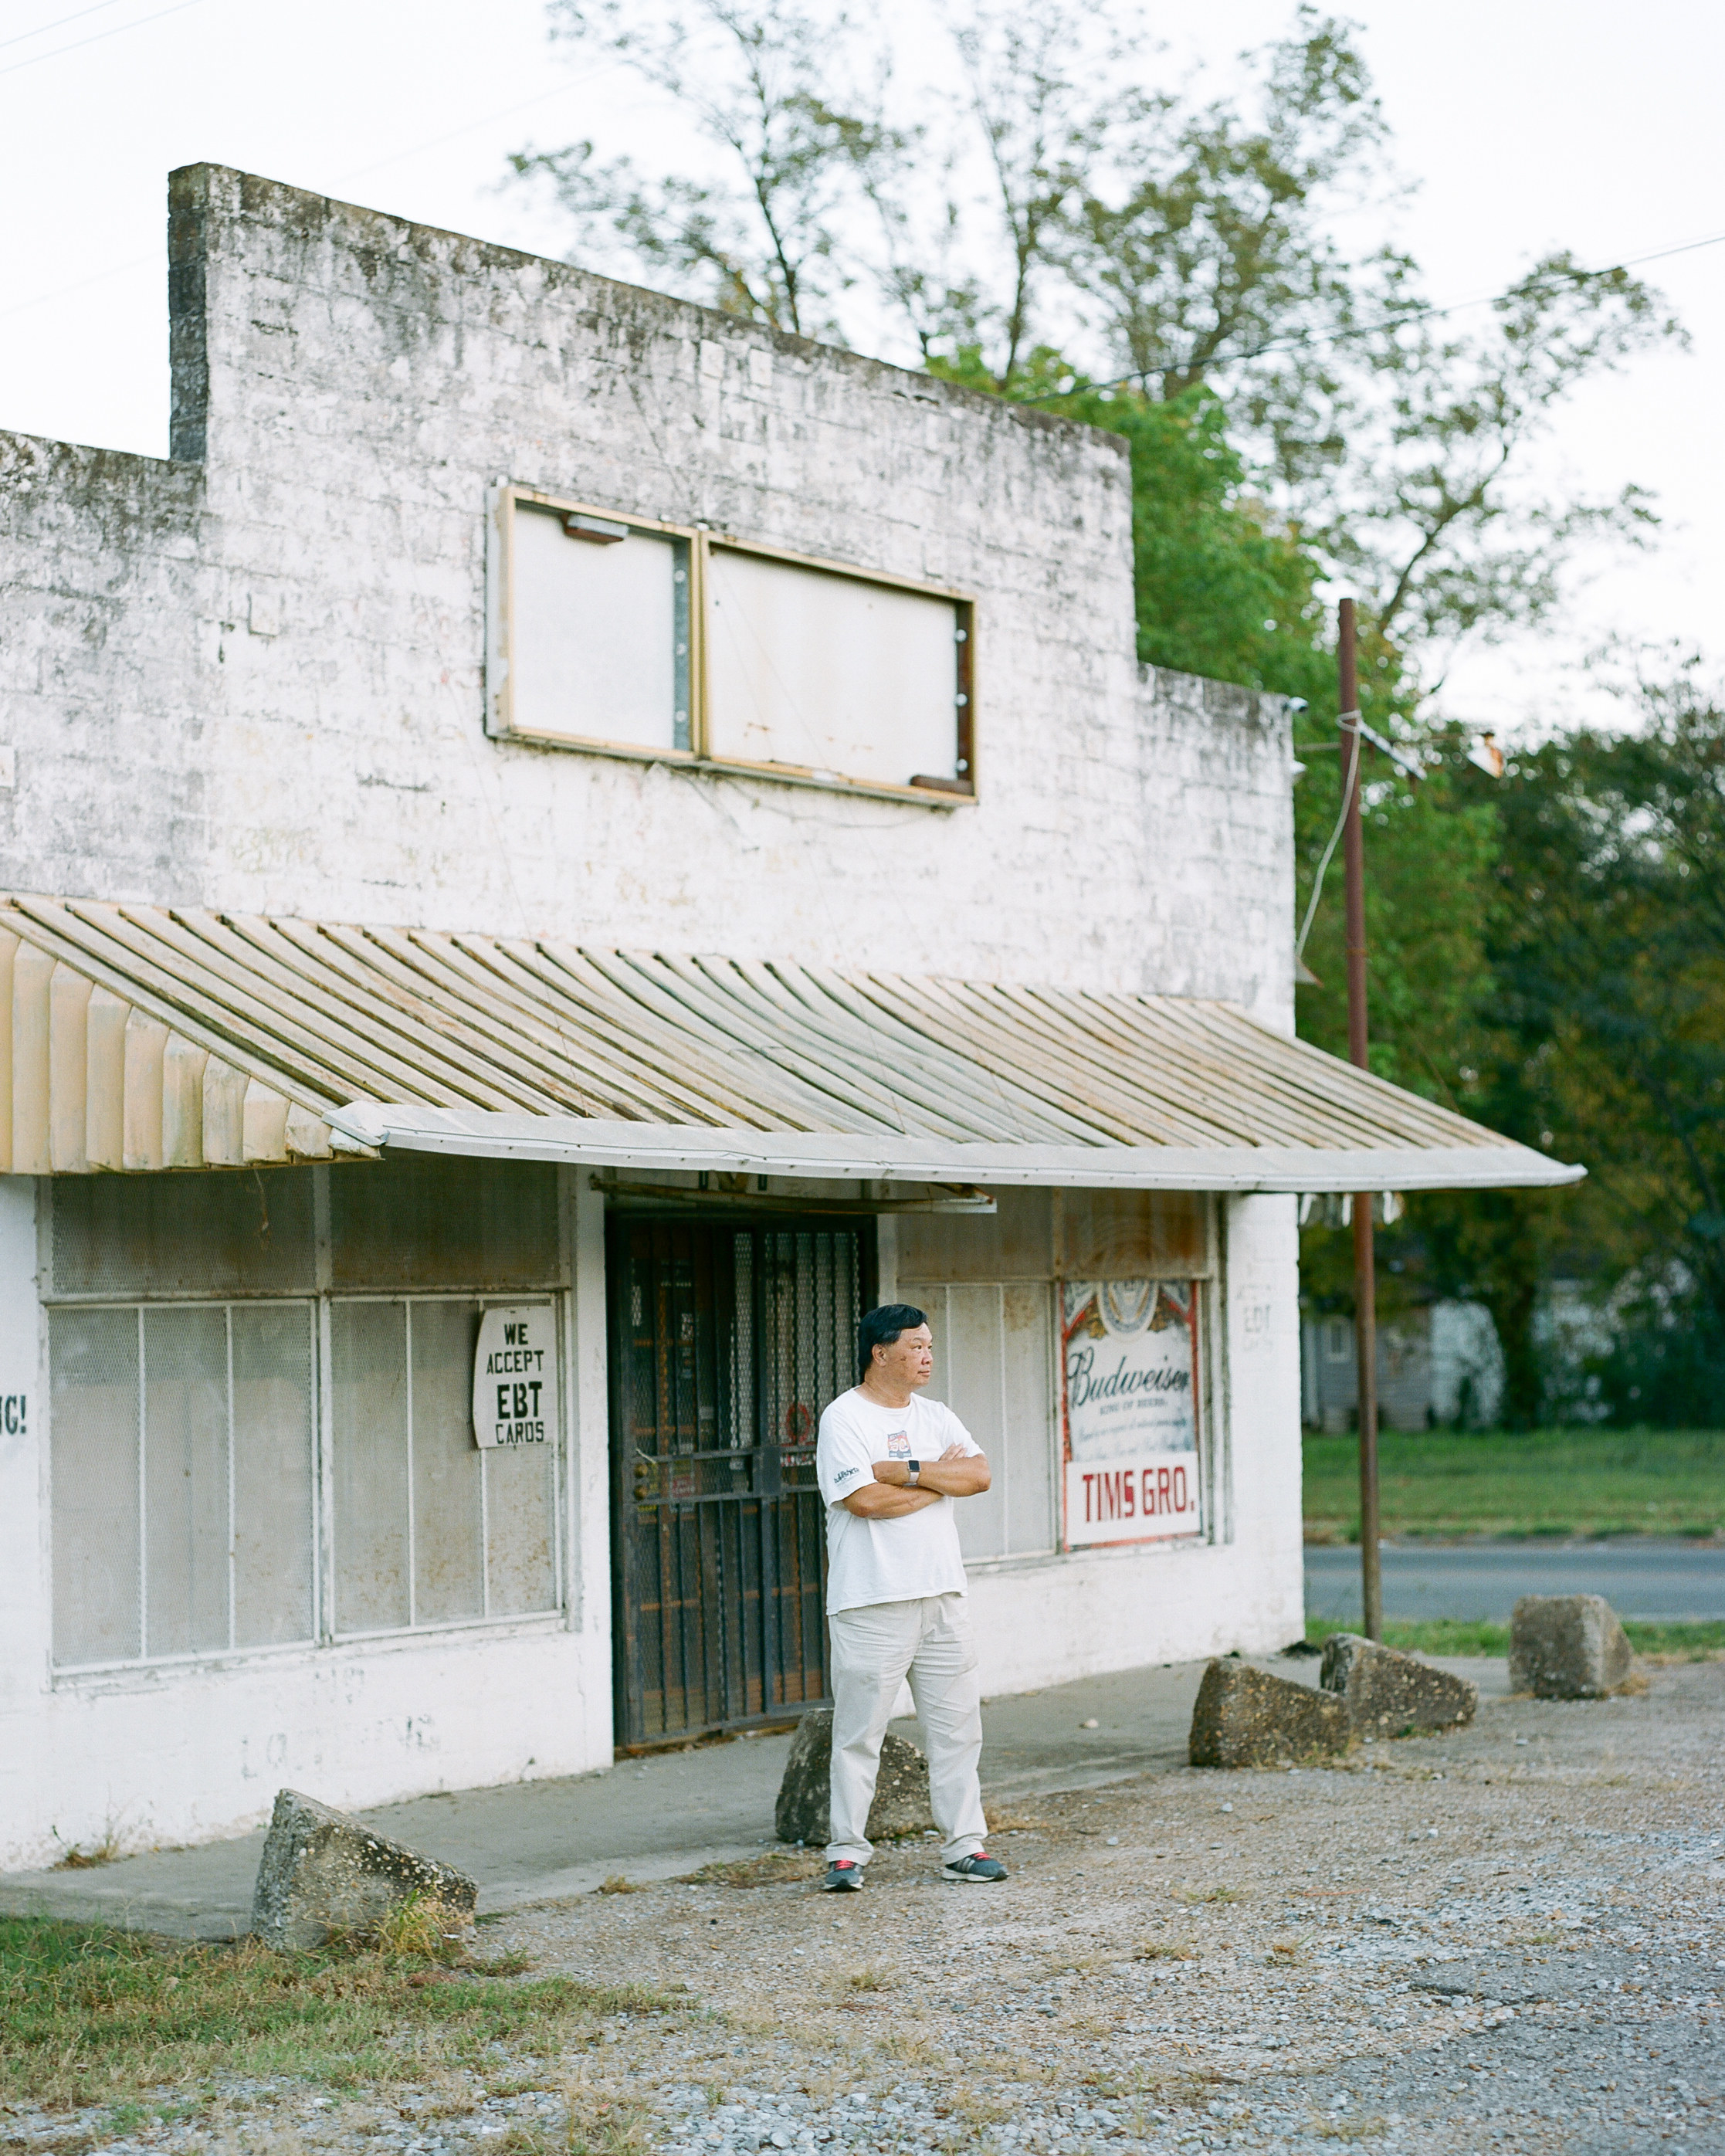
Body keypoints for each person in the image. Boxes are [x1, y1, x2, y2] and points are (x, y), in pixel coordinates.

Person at [814, 1303, 1008, 1890]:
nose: (928, 1356)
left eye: (930, 1346)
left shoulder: (936, 1415)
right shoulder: (843, 1419)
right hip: (871, 1601)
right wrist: (935, 1483)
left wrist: (904, 1471)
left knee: (957, 1730)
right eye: (916, 1346)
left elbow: (978, 1476)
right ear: (881, 1352)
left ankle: (963, 1847)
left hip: (942, 1597)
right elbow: (863, 1502)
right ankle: (846, 1852)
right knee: (858, 1734)